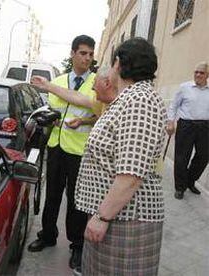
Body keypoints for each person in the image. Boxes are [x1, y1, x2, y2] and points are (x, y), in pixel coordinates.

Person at [74, 37, 167, 275]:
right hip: (117, 216)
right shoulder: (130, 98)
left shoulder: (140, 100)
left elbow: (131, 174)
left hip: (126, 220)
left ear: (118, 64)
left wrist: (103, 217)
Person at [27, 34, 97, 273]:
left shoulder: (96, 82)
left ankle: (77, 245)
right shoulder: (58, 80)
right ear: (73, 53)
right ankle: (47, 235)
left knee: (77, 200)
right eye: (83, 53)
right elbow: (53, 109)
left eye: (90, 54)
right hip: (56, 146)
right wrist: (49, 120)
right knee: (52, 194)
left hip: (79, 150)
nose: (87, 58)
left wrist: (83, 121)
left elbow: (96, 111)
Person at [166, 61, 209, 199]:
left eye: (201, 72)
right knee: (181, 157)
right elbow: (173, 105)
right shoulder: (184, 87)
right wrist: (170, 122)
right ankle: (180, 187)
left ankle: (190, 180)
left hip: (205, 127)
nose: (198, 75)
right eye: (196, 72)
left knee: (203, 156)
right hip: (186, 125)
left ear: (207, 75)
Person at [31, 65, 117, 116]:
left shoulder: (120, 108)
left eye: (95, 82)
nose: (92, 88)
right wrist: (47, 85)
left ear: (106, 84)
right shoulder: (102, 104)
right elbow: (78, 97)